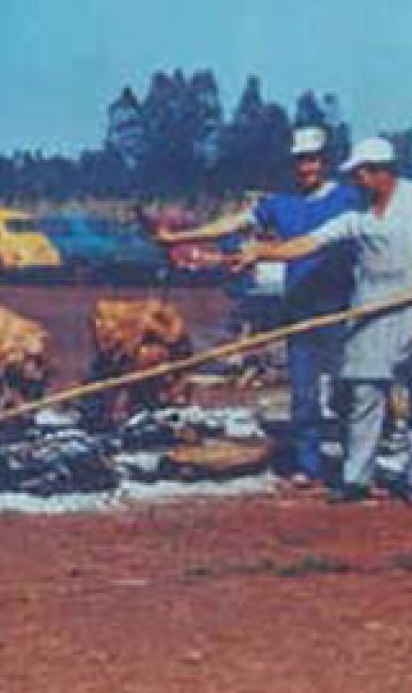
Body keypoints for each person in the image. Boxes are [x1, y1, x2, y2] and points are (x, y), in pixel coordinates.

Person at [231, 136, 412, 504]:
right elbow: (311, 242)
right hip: (368, 306)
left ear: (383, 172)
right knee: (364, 393)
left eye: (363, 174)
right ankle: (357, 477)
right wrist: (264, 251)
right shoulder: (357, 214)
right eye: (355, 175)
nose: (357, 182)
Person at [155, 127, 361, 488]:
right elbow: (233, 223)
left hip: (343, 308)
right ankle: (309, 465)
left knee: (351, 389)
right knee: (304, 394)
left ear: (323, 162)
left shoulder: (348, 199)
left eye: (312, 160)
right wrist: (181, 238)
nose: (306, 168)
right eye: (299, 161)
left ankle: (354, 461)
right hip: (300, 309)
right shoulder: (279, 204)